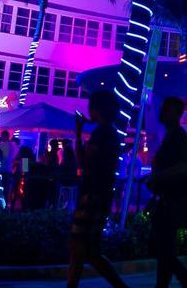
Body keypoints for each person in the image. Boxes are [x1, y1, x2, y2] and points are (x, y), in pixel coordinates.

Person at [65, 90, 130, 288]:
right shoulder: (111, 133)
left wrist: (78, 133)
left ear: (97, 109)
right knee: (91, 251)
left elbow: (83, 162)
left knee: (78, 248)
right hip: (102, 194)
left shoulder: (101, 133)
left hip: (91, 196)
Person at [146, 97, 187, 288]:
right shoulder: (172, 135)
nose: (162, 112)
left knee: (162, 246)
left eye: (166, 109)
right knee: (164, 248)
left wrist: (157, 177)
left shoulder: (177, 137)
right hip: (169, 199)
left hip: (172, 200)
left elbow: (182, 167)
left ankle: (186, 281)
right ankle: (181, 281)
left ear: (176, 113)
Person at [58, 138, 79, 211]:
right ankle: (67, 203)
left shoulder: (65, 161)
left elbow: (60, 169)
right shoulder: (74, 161)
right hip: (73, 182)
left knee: (57, 186)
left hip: (66, 182)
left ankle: (62, 204)